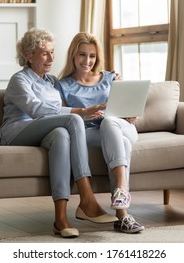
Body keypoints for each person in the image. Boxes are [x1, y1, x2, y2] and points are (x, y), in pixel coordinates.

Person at [0, 28, 117, 238]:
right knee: (72, 119)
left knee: (62, 135)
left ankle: (60, 218)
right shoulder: (20, 80)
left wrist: (108, 77)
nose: (51, 58)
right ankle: (87, 197)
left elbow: (79, 89)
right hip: (18, 131)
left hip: (44, 130)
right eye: (45, 53)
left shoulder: (51, 81)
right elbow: (35, 110)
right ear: (29, 55)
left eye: (52, 52)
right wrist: (79, 112)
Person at [56, 32, 145, 234]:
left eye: (92, 56)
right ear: (73, 55)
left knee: (109, 122)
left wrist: (130, 114)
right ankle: (123, 213)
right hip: (89, 134)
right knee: (121, 143)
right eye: (82, 55)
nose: (87, 61)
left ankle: (122, 189)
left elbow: (126, 107)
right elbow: (61, 117)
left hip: (121, 126)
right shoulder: (62, 86)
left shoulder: (111, 78)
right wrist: (86, 115)